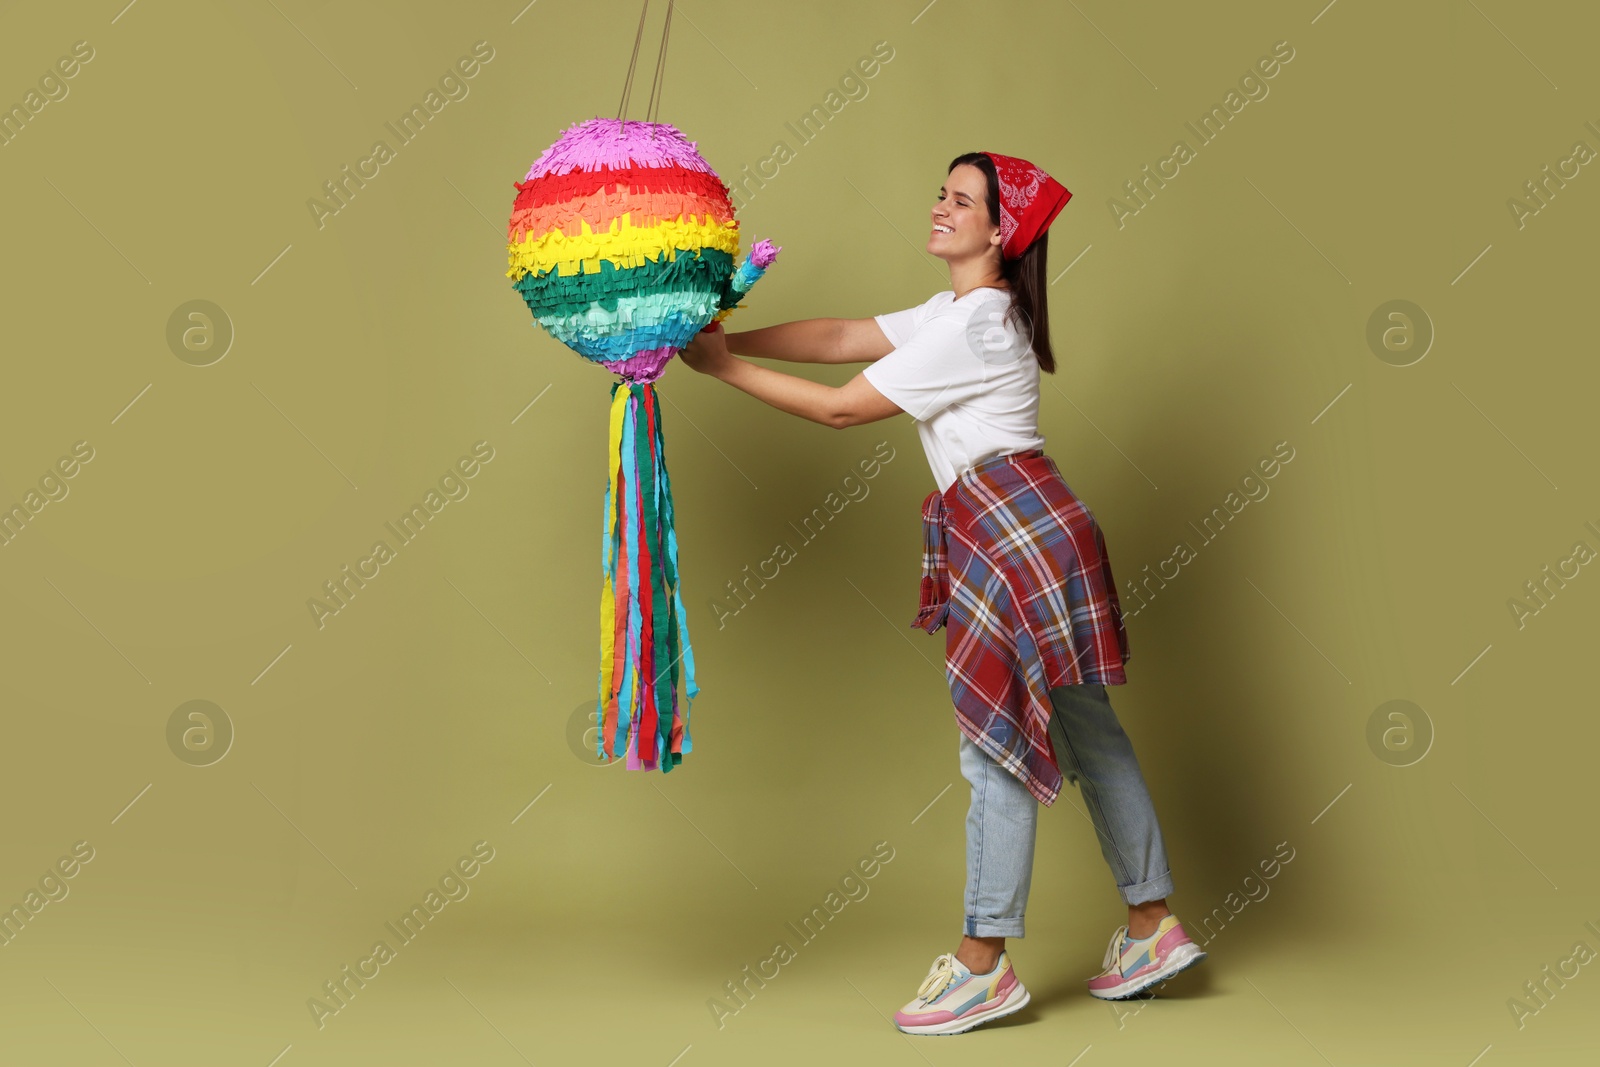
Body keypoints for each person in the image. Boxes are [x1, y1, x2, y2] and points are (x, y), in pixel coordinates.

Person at [677, 151, 1206, 1037]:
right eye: (941, 192)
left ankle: (981, 964)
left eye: (960, 201)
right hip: (1040, 520)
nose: (939, 208)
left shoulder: (976, 326)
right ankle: (1152, 926)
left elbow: (842, 406)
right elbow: (845, 338)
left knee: (996, 738)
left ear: (1000, 232)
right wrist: (730, 336)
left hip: (1010, 531)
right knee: (1086, 730)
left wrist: (719, 370)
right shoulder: (957, 311)